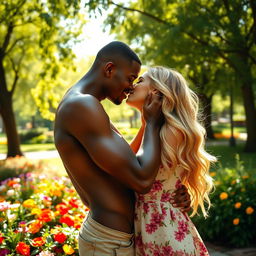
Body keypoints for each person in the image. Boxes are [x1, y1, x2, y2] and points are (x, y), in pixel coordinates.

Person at [54, 42, 191, 256]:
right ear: (109, 69)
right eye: (130, 78)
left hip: (114, 239)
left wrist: (171, 191)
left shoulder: (85, 105)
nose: (131, 87)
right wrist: (153, 124)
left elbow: (128, 163)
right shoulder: (82, 106)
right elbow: (141, 179)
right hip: (107, 242)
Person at [126, 66, 216, 256]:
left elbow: (137, 170)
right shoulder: (152, 130)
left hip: (165, 231)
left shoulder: (171, 132)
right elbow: (126, 159)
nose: (133, 85)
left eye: (140, 80)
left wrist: (149, 124)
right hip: (151, 227)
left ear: (156, 91)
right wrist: (145, 123)